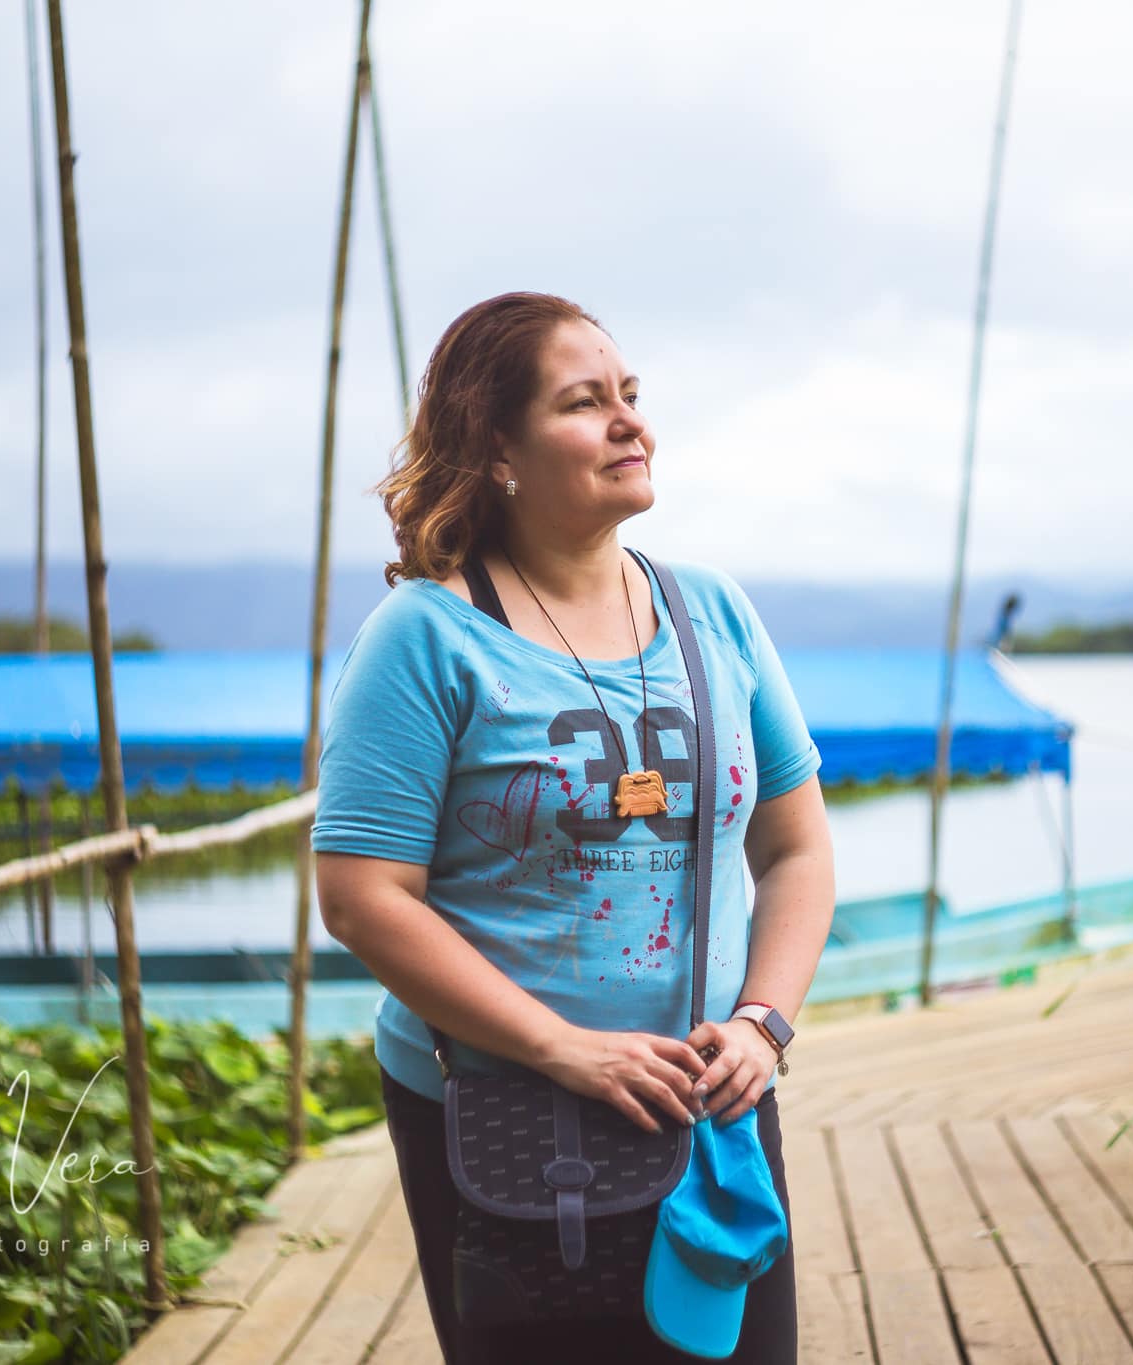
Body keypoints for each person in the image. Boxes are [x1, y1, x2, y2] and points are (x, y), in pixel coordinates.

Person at [311, 292, 836, 1364]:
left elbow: (793, 849)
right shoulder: (427, 637)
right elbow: (362, 896)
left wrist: (760, 1025)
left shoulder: (715, 613)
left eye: (630, 396)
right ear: (496, 447)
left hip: (709, 1099)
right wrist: (563, 1050)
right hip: (504, 1112)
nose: (630, 423)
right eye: (584, 402)